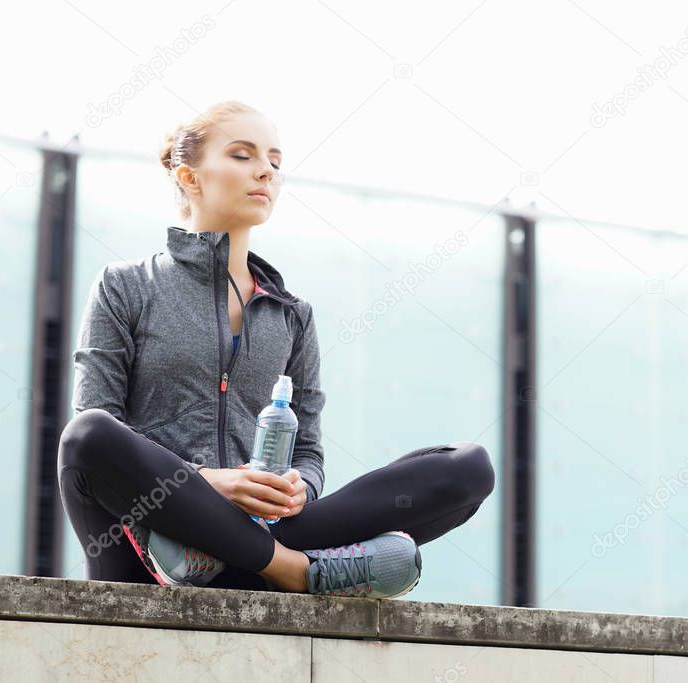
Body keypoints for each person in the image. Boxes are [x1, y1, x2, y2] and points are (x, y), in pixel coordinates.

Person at [57, 101, 496, 598]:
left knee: (467, 467)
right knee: (87, 437)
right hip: (152, 537)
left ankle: (243, 560)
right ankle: (294, 571)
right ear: (190, 177)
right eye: (242, 155)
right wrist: (207, 482)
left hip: (261, 527)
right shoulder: (126, 286)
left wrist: (296, 490)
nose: (266, 170)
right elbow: (99, 416)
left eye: (275, 161)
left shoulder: (291, 314)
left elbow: (307, 449)